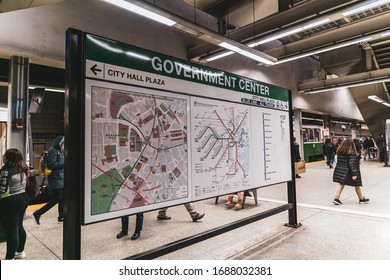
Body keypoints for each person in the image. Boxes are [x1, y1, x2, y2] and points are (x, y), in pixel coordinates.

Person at [0, 149, 30, 259]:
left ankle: (9, 258)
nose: (2, 157)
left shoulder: (6, 171)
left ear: (9, 158)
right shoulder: (23, 168)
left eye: (4, 156)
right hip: (23, 198)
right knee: (19, 226)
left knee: (11, 231)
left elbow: (2, 190)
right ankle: (20, 251)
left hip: (11, 202)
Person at [33, 135, 65, 224]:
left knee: (62, 198)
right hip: (55, 179)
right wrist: (65, 162)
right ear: (60, 143)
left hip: (60, 179)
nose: (64, 146)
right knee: (58, 198)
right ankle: (38, 213)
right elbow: (52, 165)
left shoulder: (60, 152)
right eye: (63, 144)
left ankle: (61, 216)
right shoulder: (53, 151)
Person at [332, 138, 369, 205]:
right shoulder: (351, 151)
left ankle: (336, 198)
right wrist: (354, 173)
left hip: (341, 170)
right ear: (351, 144)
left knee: (341, 184)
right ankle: (361, 199)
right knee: (357, 184)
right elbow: (352, 163)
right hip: (349, 171)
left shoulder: (340, 151)